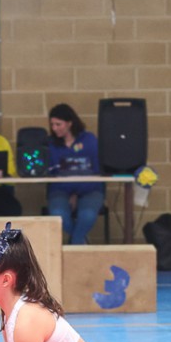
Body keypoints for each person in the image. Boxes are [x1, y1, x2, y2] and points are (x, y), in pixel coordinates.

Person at [45, 102, 106, 245]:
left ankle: (75, 242)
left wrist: (77, 193)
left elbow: (97, 169)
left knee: (87, 214)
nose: (54, 128)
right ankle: (80, 241)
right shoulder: (50, 144)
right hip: (60, 190)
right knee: (59, 214)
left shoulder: (89, 140)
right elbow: (50, 172)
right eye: (52, 124)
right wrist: (71, 193)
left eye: (58, 124)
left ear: (70, 123)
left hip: (90, 190)